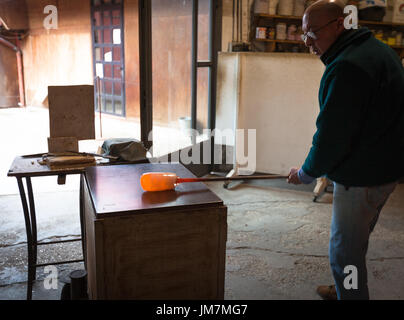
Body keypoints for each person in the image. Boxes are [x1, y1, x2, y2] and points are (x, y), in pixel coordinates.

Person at [287, 0, 404, 300]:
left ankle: (350, 294)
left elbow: (330, 138)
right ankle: (346, 287)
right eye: (304, 34)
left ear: (339, 24)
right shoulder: (373, 49)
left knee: (344, 252)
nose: (308, 43)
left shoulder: (347, 67)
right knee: (355, 242)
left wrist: (306, 173)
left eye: (313, 33)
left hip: (362, 176)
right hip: (385, 168)